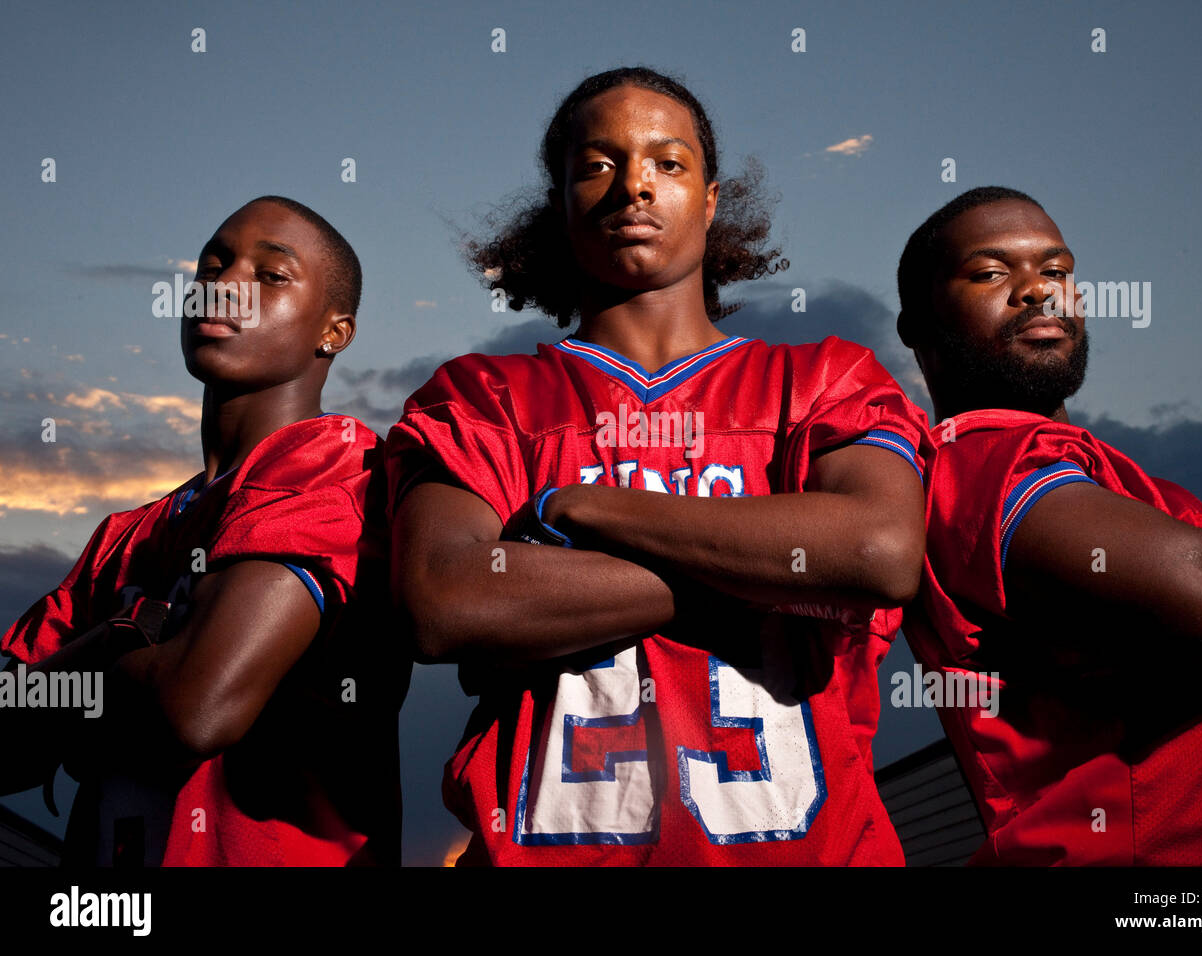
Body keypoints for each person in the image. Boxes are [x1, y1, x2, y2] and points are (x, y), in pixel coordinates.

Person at [388, 67, 929, 865]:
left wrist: (585, 509)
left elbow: (879, 552)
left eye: (668, 163)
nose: (633, 186)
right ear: (561, 203)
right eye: (597, 164)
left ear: (711, 201)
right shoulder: (485, 395)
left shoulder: (823, 378)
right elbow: (441, 601)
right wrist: (773, 573)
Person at [895, 186, 1202, 865]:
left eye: (1056, 271)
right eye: (992, 273)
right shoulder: (978, 461)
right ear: (918, 324)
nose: (1037, 292)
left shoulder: (1128, 484)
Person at [1, 196, 408, 865]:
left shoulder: (336, 467)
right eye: (212, 267)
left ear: (335, 332)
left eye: (270, 276)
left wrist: (77, 698)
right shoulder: (126, 533)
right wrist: (121, 639)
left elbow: (199, 708)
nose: (225, 287)